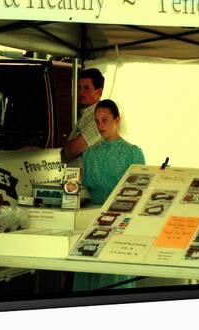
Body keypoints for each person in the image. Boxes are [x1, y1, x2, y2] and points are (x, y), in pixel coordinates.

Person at [73, 99, 145, 292]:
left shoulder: (133, 152)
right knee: (89, 270)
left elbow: (140, 191)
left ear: (117, 120)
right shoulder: (89, 154)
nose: (100, 125)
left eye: (105, 120)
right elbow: (85, 187)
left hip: (121, 220)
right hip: (91, 220)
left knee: (114, 274)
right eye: (97, 121)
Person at [61, 68, 105, 164]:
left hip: (87, 177)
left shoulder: (99, 118)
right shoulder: (85, 115)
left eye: (86, 88)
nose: (81, 92)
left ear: (99, 92)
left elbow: (70, 151)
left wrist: (67, 146)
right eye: (79, 87)